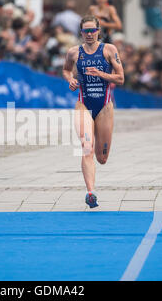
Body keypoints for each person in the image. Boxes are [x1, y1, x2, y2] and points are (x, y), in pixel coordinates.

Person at [62, 15, 124, 208]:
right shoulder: (74, 53)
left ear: (98, 31)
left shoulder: (109, 50)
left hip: (104, 106)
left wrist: (101, 74)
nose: (89, 34)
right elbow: (66, 70)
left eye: (92, 31)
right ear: (81, 33)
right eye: (85, 31)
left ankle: (93, 182)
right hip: (83, 104)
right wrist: (70, 79)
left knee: (102, 158)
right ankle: (91, 192)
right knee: (86, 146)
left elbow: (121, 78)